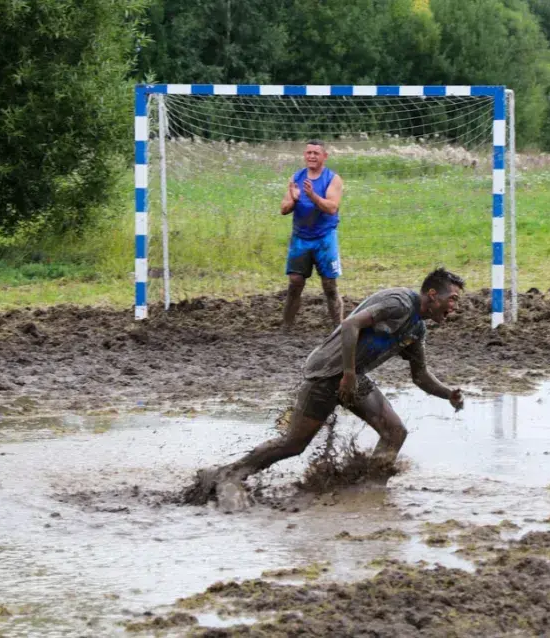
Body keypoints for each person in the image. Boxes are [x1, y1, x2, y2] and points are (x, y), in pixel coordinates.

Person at [189, 267, 467, 508]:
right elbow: (350, 324)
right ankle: (230, 475)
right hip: (327, 374)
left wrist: (448, 394)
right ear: (432, 294)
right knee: (293, 444)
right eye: (452, 299)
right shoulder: (399, 303)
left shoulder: (416, 329)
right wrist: (347, 374)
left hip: (352, 377)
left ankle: (369, 490)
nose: (454, 306)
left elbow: (420, 376)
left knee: (395, 432)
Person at [280, 139, 345, 329]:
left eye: (316, 153)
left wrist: (313, 196)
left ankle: (339, 328)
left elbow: (332, 208)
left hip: (324, 238)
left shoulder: (333, 179)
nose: (312, 156)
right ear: (304, 155)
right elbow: (283, 209)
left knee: (329, 285)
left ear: (324, 156)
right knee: (295, 282)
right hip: (301, 238)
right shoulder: (295, 178)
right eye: (309, 153)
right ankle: (286, 326)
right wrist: (293, 199)